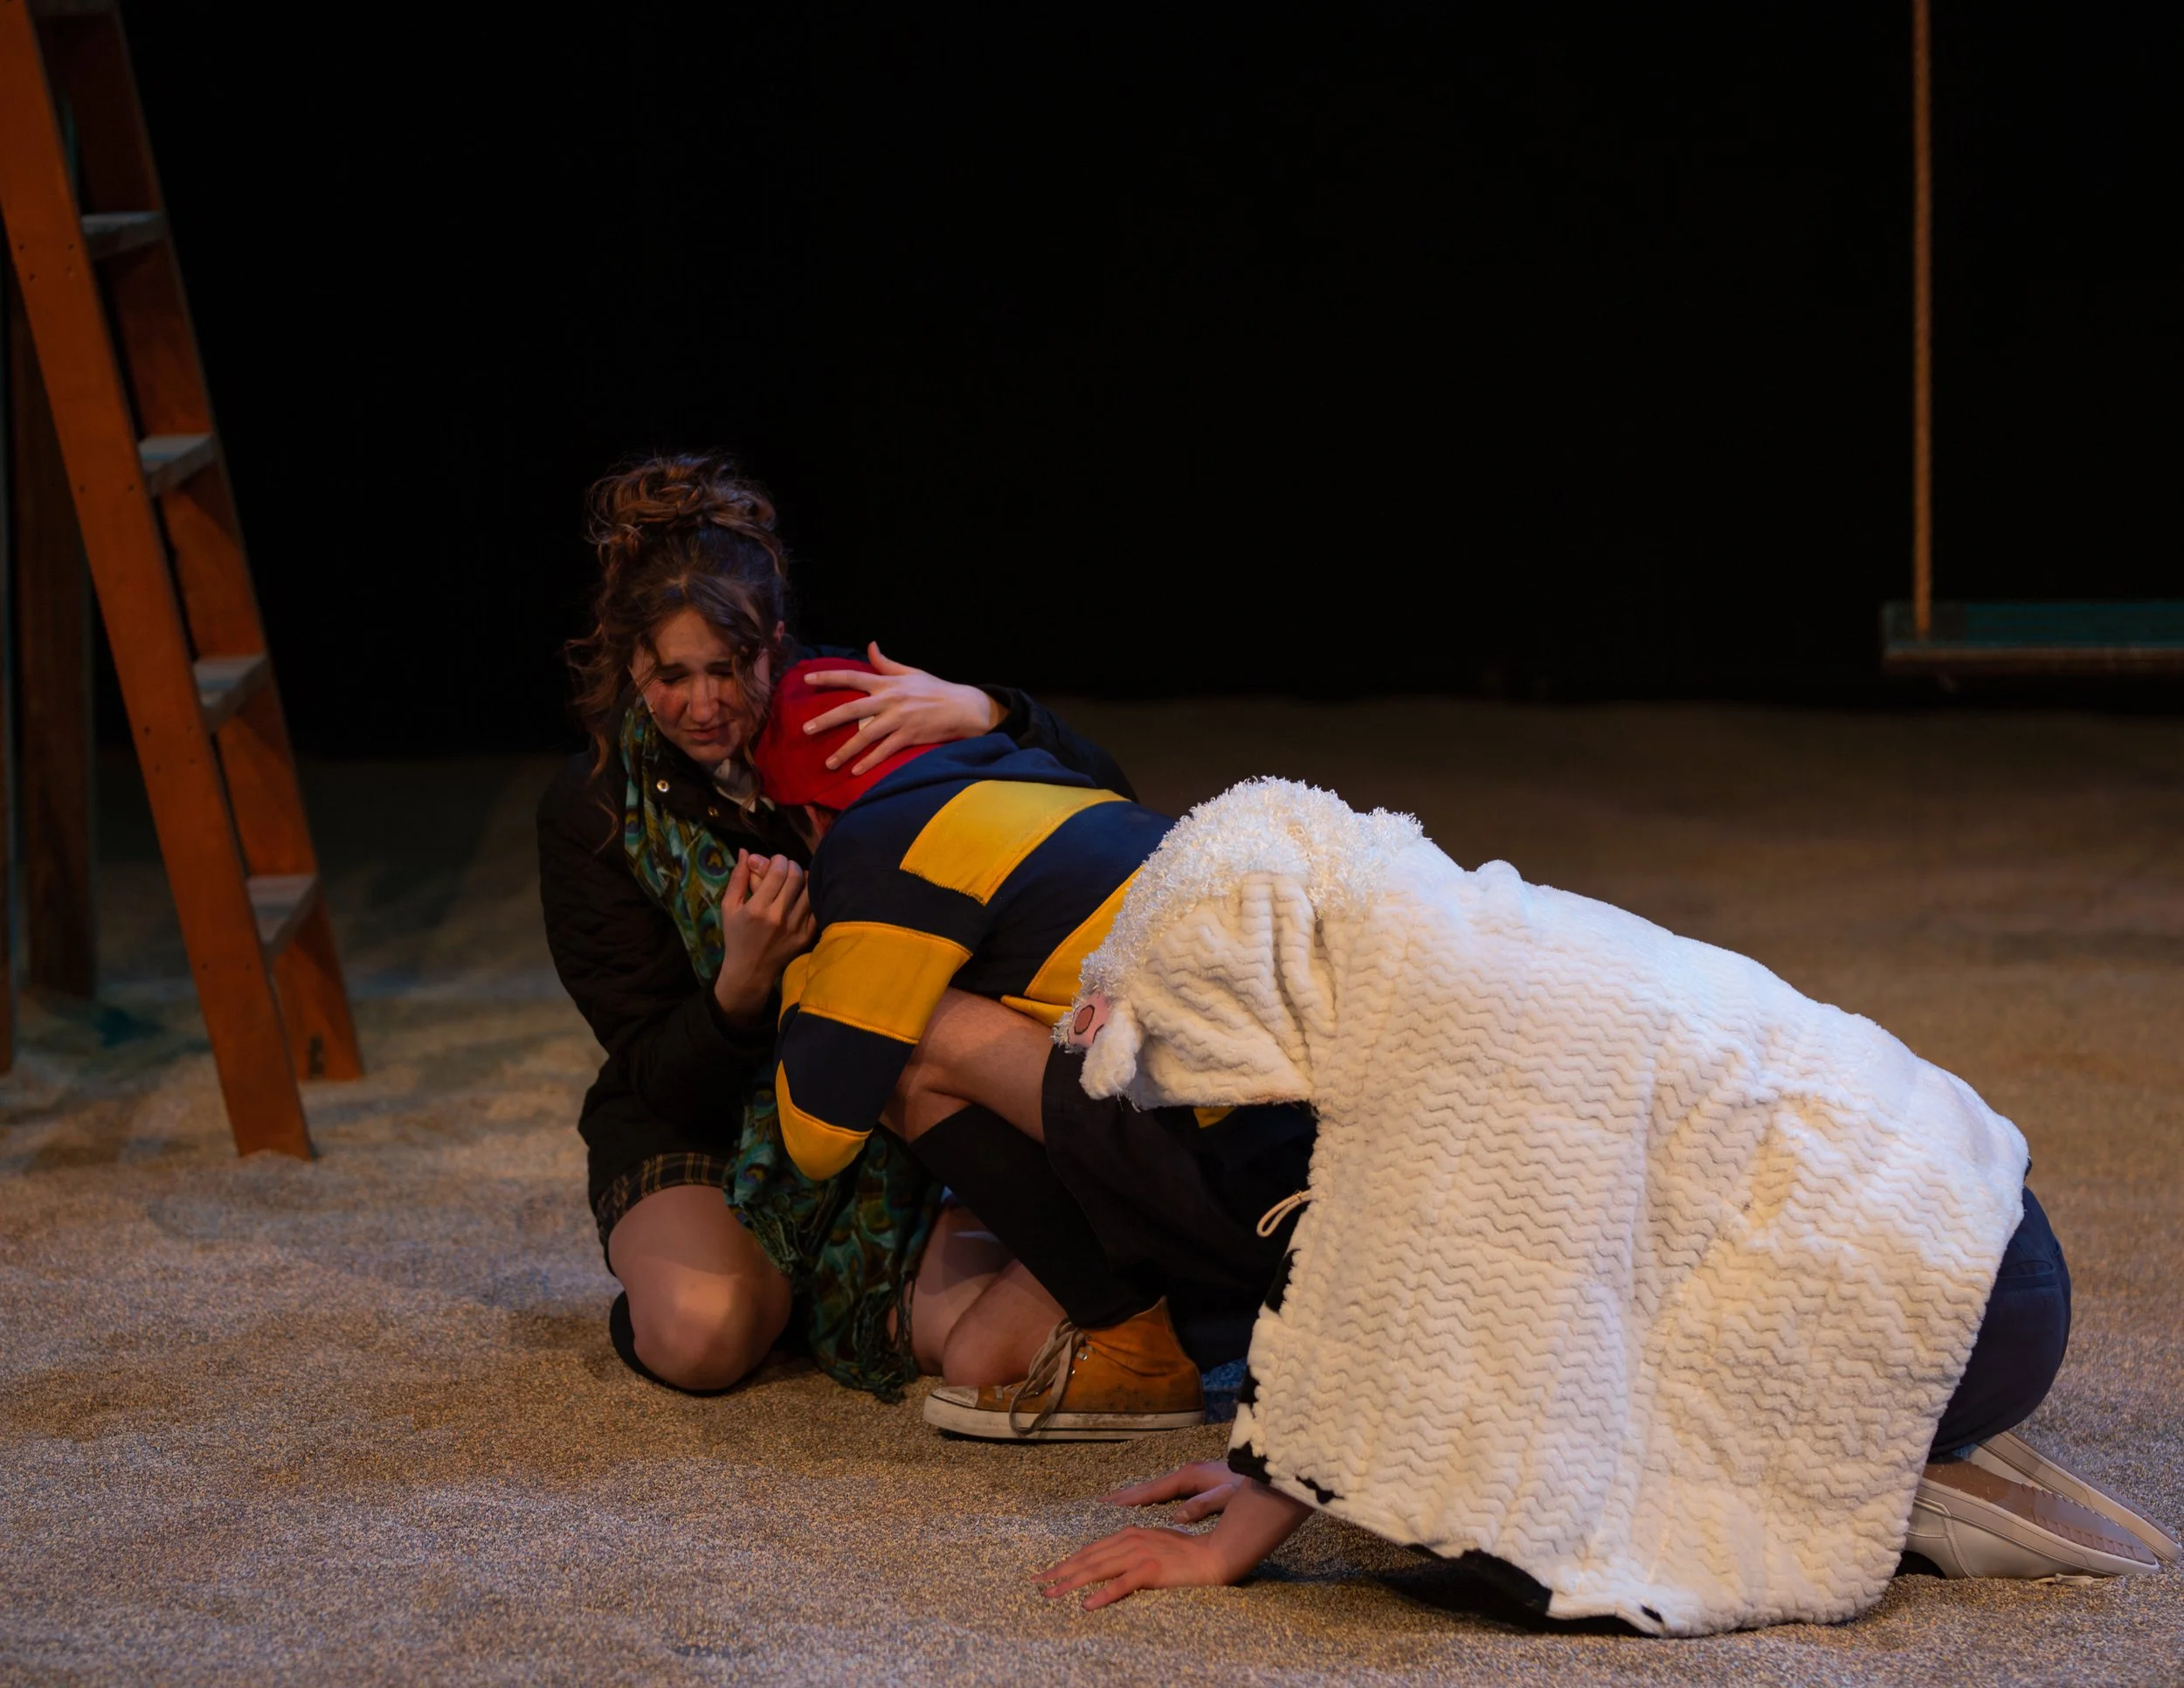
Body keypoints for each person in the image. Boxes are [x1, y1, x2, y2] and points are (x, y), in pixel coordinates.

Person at [536, 450, 1135, 1401]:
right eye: (672, 675)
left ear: (772, 642)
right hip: (707, 1122)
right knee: (705, 1338)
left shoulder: (846, 712)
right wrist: (740, 989)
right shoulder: (596, 810)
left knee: (1005, 1345)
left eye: (728, 669)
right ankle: (745, 1273)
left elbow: (1096, 809)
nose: (704, 705)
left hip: (883, 1112)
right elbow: (655, 1070)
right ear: (630, 662)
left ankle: (818, 1283)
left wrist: (985, 710)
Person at [745, 658, 1319, 1438]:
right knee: (981, 1357)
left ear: (811, 817)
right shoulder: (1062, 785)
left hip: (1259, 1182)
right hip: (1314, 1159)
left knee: (913, 1038)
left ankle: (1145, 1343)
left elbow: (817, 1135)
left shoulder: (874, 842)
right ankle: (1174, 1330)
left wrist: (792, 965)